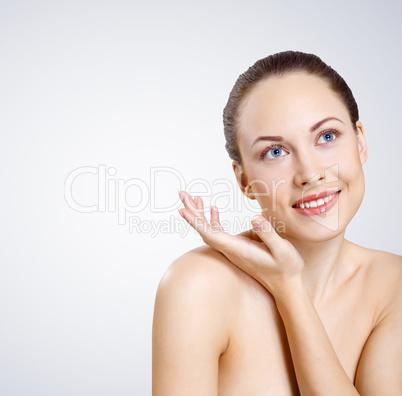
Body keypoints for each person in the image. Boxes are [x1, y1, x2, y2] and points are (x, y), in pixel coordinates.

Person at [152, 51, 402, 395]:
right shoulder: (198, 286)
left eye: (327, 136)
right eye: (275, 152)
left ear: (360, 142)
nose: (311, 173)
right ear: (244, 181)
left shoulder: (393, 286)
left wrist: (290, 289)